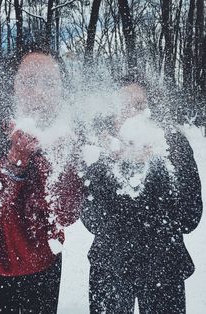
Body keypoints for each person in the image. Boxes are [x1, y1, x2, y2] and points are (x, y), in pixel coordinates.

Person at [0, 50, 83, 313]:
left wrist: (62, 160)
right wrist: (15, 160)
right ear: (13, 85)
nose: (40, 92)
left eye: (49, 82)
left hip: (43, 264)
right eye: (29, 81)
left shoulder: (66, 138)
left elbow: (66, 215)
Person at [81, 76, 203, 314]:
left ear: (150, 110)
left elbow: (190, 217)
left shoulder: (174, 146)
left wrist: (156, 169)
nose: (131, 114)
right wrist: (118, 167)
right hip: (110, 270)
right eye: (122, 106)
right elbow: (91, 219)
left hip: (164, 270)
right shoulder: (98, 150)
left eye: (138, 106)